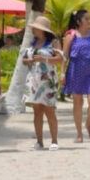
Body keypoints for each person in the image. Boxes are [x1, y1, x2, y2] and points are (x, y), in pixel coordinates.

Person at [63, 9, 90, 143]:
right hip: (75, 71)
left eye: (89, 18)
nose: (89, 21)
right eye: (86, 19)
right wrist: (62, 73)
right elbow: (64, 56)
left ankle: (88, 123)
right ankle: (79, 133)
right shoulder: (71, 36)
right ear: (78, 21)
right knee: (78, 102)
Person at [22, 15, 63, 150]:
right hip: (34, 80)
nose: (34, 30)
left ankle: (54, 141)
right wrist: (28, 61)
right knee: (37, 112)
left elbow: (60, 59)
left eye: (36, 28)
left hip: (48, 81)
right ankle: (39, 142)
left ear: (42, 30)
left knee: (49, 110)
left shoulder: (53, 43)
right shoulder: (32, 43)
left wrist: (44, 59)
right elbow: (24, 59)